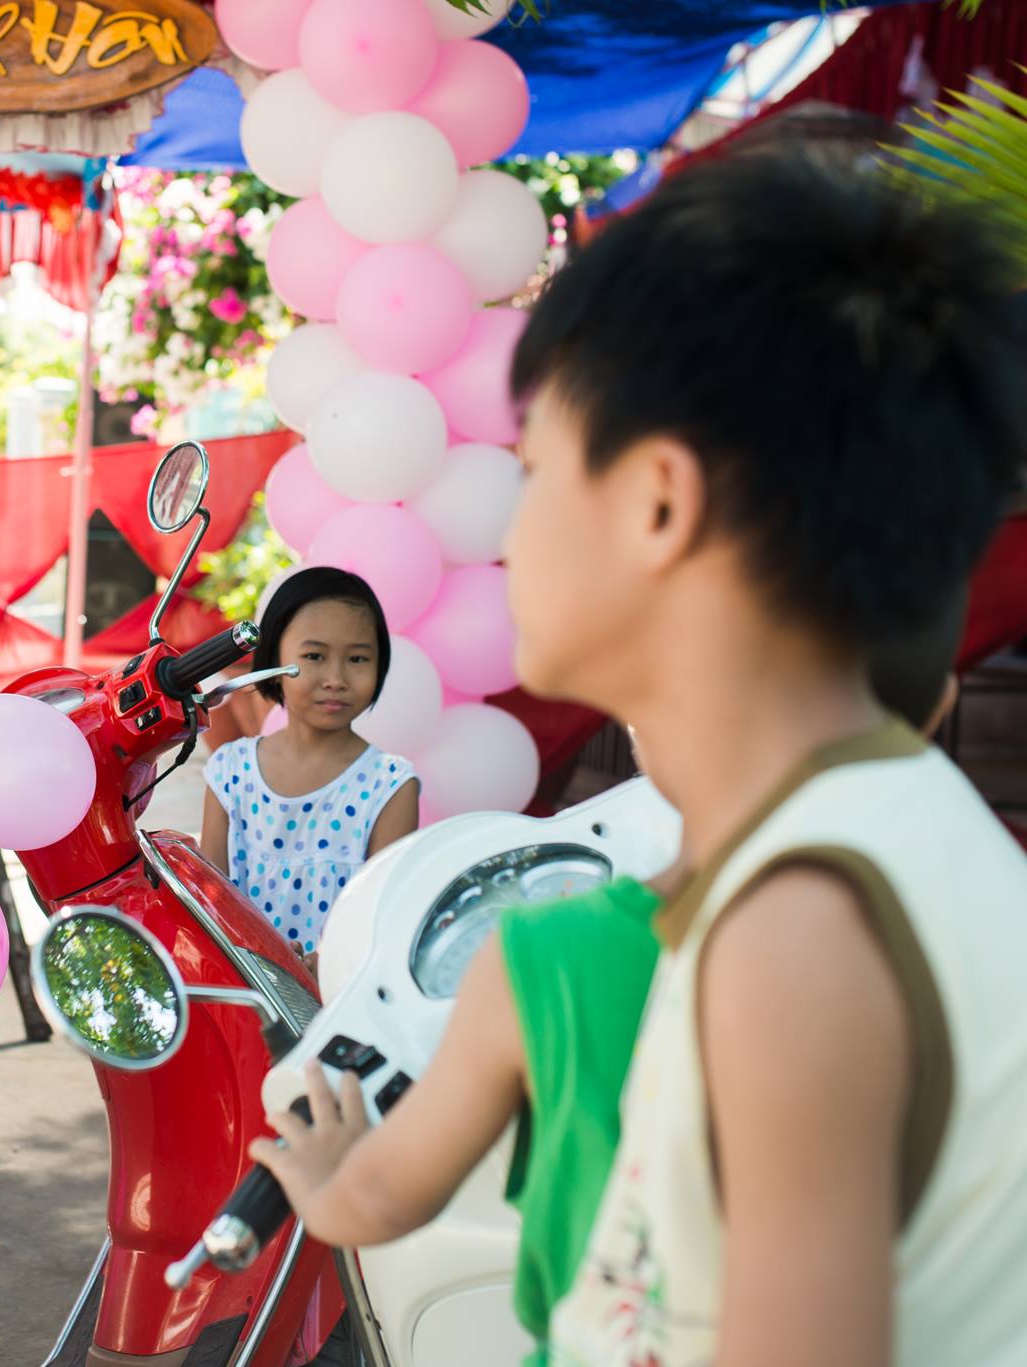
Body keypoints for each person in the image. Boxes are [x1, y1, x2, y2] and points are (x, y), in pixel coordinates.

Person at [257, 148, 1027, 1367]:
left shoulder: (800, 933)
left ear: (658, 505)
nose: (509, 526)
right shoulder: (865, 842)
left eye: (538, 469)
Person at [245, 591, 967, 1366]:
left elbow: (384, 1193)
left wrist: (323, 1178)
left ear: (639, 718)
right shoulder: (958, 931)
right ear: (934, 709)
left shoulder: (543, 954)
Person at [201, 567, 420, 965]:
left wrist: (330, 965)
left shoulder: (391, 784)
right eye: (314, 656)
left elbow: (382, 915)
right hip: (242, 993)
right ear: (274, 660)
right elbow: (210, 903)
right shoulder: (229, 772)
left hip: (340, 1000)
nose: (335, 678)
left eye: (357, 658)